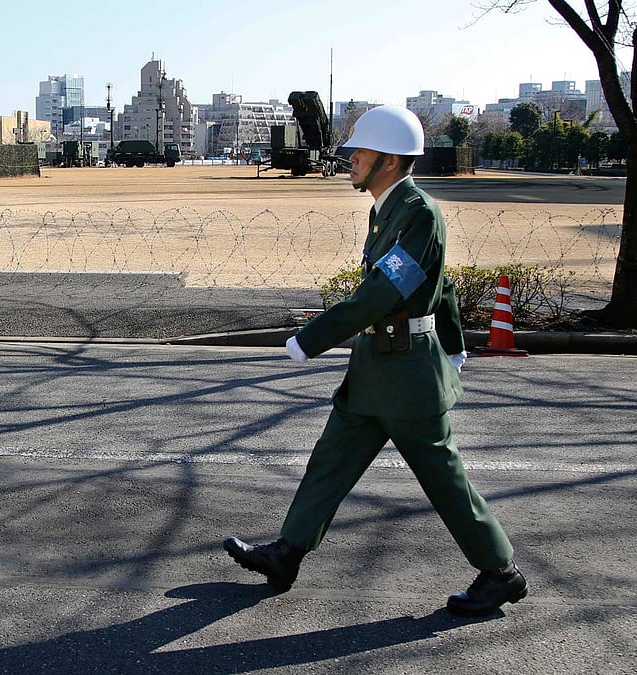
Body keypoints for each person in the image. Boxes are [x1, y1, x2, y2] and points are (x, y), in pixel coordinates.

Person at [222, 106, 527, 617]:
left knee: (443, 477)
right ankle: (288, 554)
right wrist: (455, 344)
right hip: (374, 370)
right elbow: (441, 284)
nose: (351, 159)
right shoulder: (386, 209)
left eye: (360, 152)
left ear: (388, 159)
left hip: (406, 375)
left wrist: (313, 337)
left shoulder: (418, 212)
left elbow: (387, 290)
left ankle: (500, 573)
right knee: (330, 461)